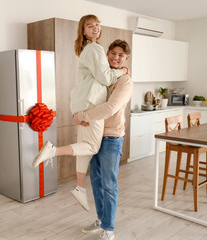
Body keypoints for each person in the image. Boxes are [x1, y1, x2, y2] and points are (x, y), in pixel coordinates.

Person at [32, 14, 129, 212]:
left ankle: (80, 188)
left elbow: (102, 77)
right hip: (91, 106)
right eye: (90, 26)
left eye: (98, 25)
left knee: (84, 148)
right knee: (92, 147)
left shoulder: (88, 49)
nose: (95, 28)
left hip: (82, 104)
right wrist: (124, 70)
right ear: (83, 31)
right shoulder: (95, 48)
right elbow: (106, 77)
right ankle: (53, 151)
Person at [75, 39, 133, 240]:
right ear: (107, 54)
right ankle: (100, 219)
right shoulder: (103, 75)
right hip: (95, 134)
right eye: (113, 53)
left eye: (121, 55)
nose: (116, 58)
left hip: (111, 137)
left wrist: (83, 115)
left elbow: (110, 108)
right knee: (96, 181)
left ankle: (109, 228)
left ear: (126, 59)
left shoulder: (125, 81)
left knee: (109, 183)